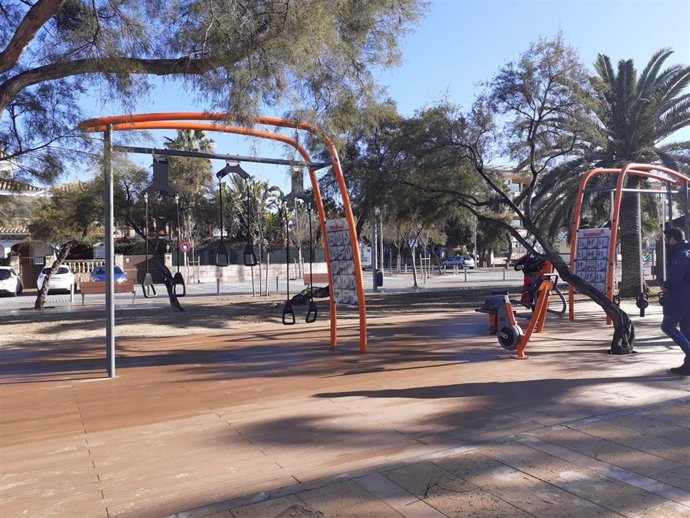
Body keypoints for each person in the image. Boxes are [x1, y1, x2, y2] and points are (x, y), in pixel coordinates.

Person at [660, 227, 690, 375]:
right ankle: (688, 365)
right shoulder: (686, 252)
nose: (665, 242)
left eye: (666, 239)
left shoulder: (680, 255)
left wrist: (665, 286)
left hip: (680, 299)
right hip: (686, 299)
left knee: (667, 326)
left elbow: (676, 278)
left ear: (673, 240)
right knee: (686, 331)